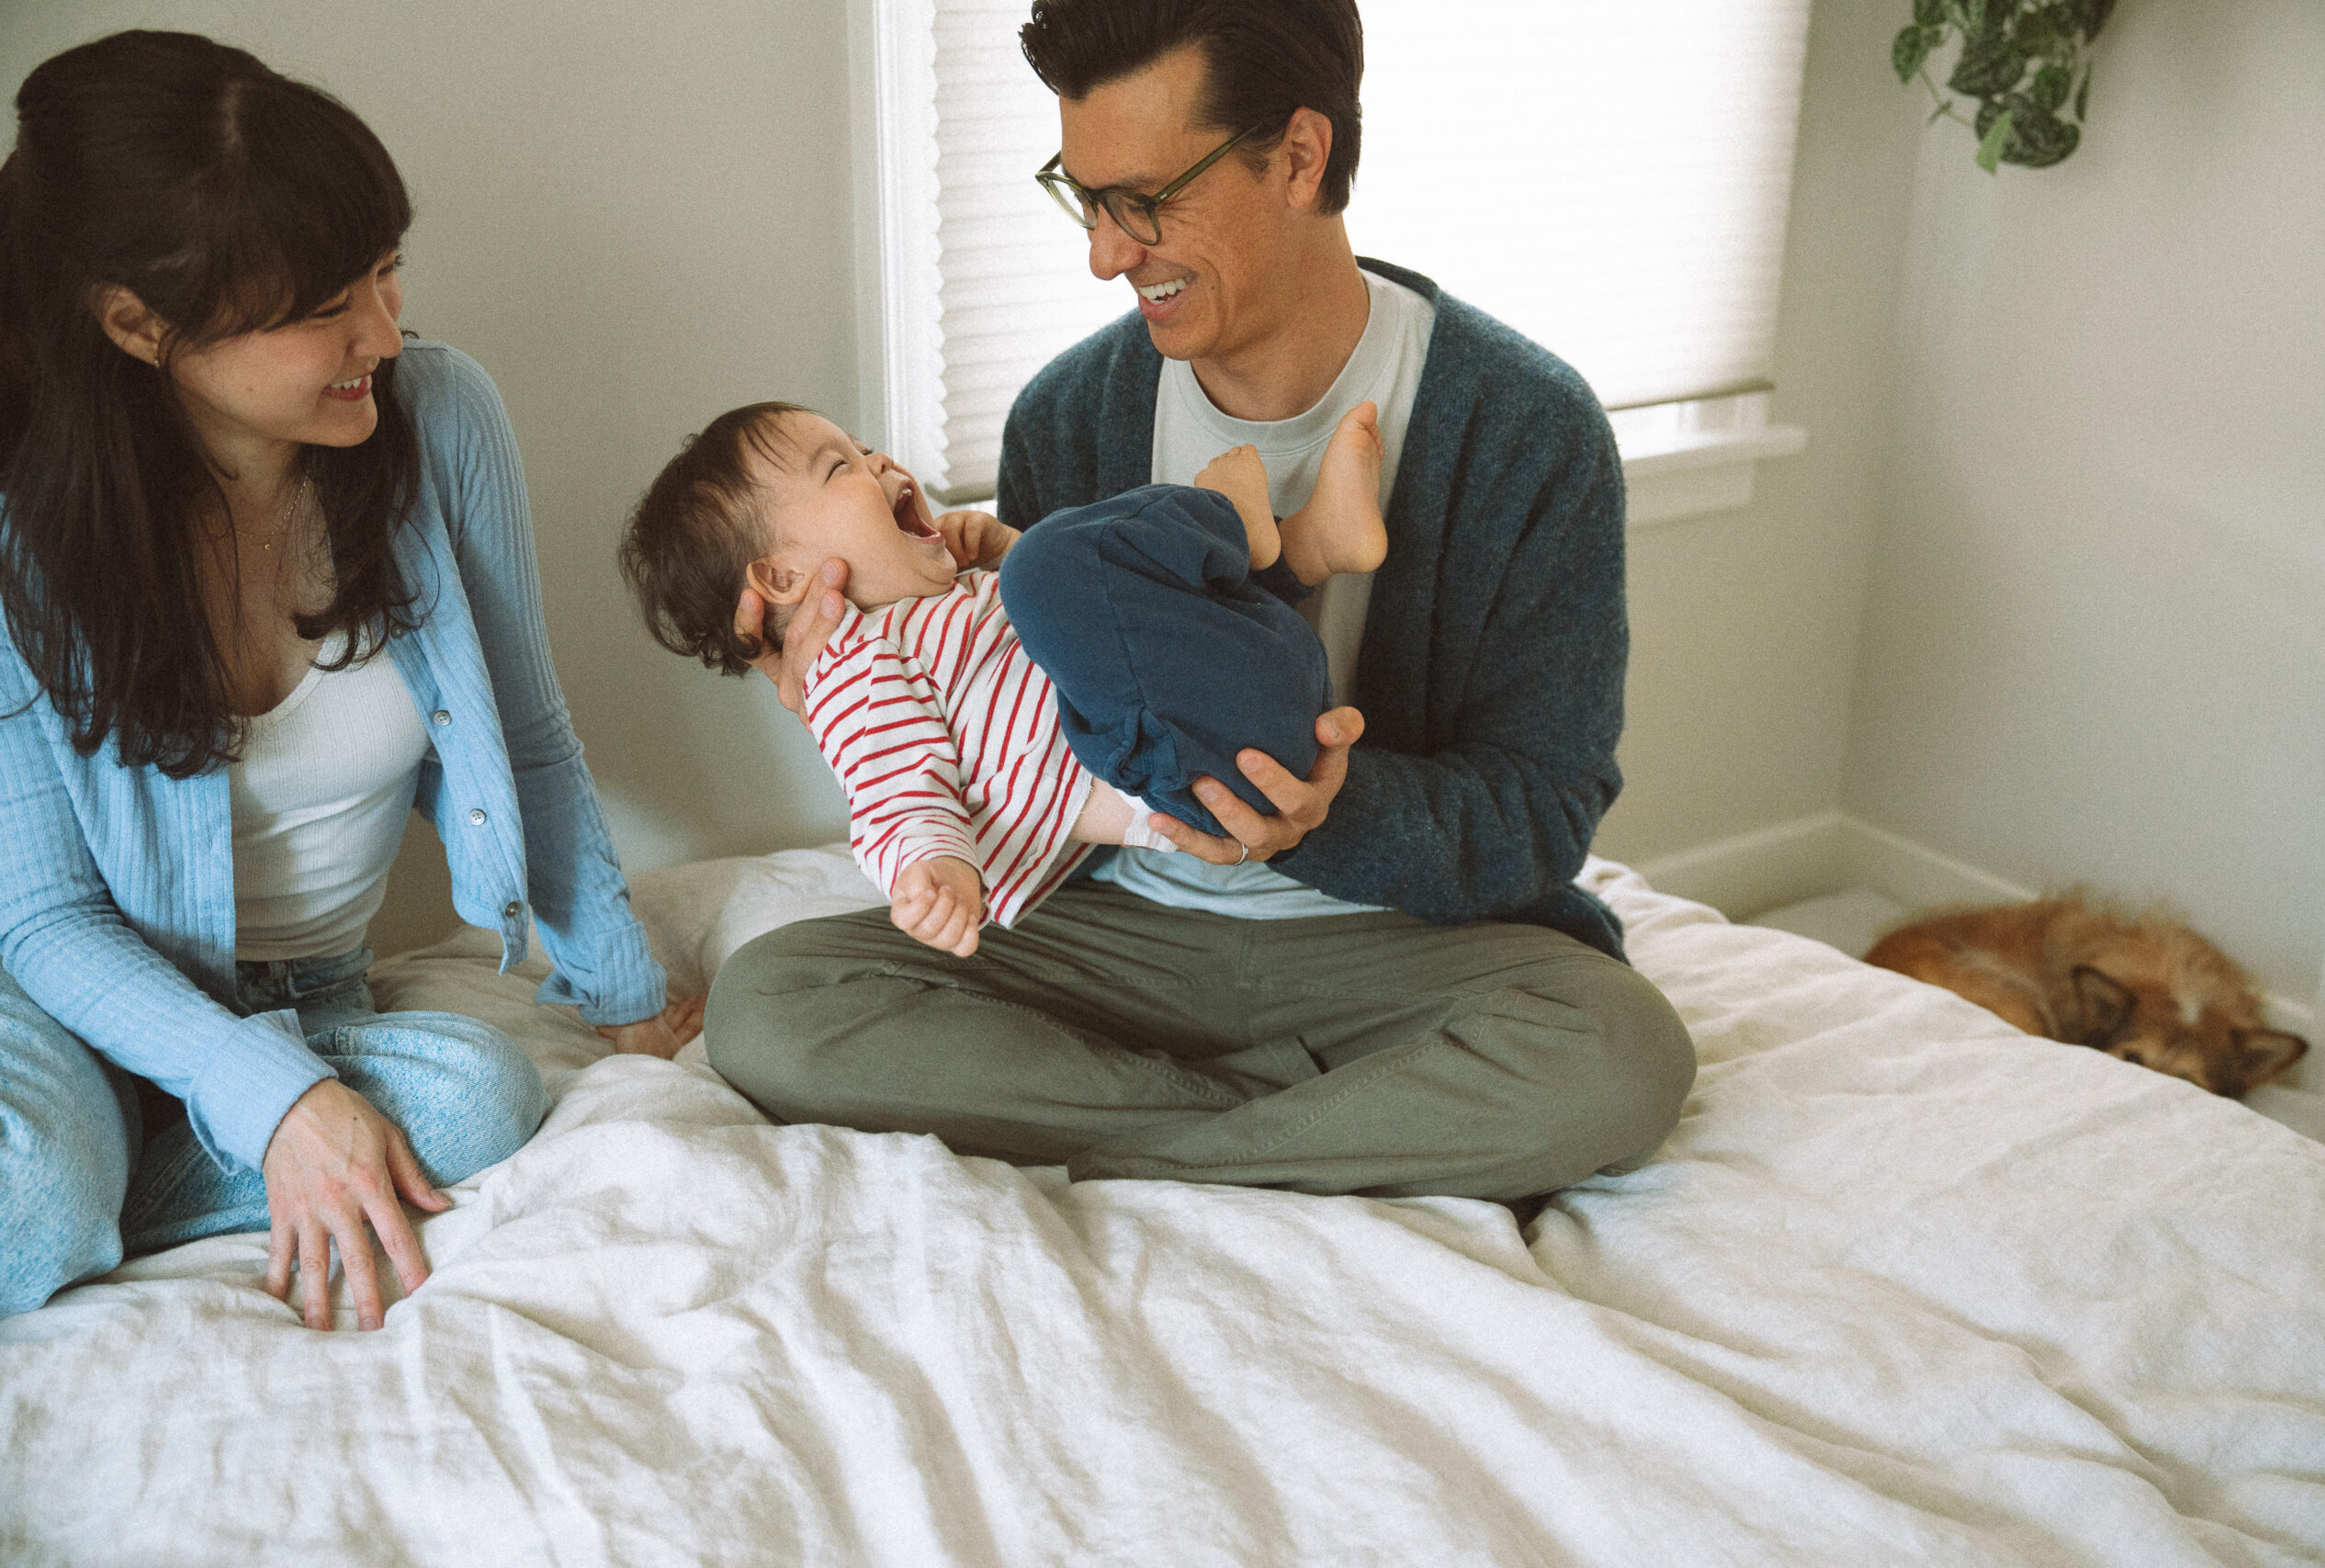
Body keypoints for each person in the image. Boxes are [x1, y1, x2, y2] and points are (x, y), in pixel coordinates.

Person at [705, 0, 1695, 1205]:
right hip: (1112, 930)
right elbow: (1003, 734)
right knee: (772, 1003)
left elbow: (1543, 812)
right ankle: (1292, 1131)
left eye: (1146, 199)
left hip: (1393, 943)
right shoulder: (1068, 416)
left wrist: (1323, 809)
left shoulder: (1525, 429)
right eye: (1084, 197)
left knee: (1621, 1051)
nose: (1107, 254)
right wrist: (828, 679)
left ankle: (1148, 1140)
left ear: (1297, 155)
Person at [0, 31, 694, 1328]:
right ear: (139, 324)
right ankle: (118, 1171)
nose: (381, 329)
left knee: (482, 1096)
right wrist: (277, 1100)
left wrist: (626, 988)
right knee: (34, 1191)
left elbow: (528, 738)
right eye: (323, 306)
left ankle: (140, 1175)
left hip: (309, 995)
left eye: (385, 272)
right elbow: (40, 919)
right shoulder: (24, 532)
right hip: (61, 1000)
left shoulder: (441, 419)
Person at [619, 400, 1384, 956]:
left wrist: (1006, 551)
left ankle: (1303, 544)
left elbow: (1081, 648)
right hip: (1188, 764)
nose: (882, 462)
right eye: (841, 467)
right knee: (1052, 564)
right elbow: (892, 785)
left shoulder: (948, 605)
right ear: (782, 575)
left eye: (867, 447)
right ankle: (1254, 531)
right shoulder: (849, 665)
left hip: (1233, 713)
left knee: (1053, 564)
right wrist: (935, 868)